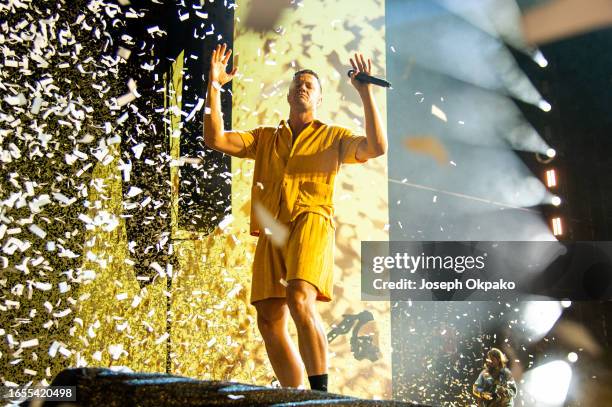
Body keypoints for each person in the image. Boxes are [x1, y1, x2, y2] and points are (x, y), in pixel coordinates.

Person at [203, 43, 387, 392]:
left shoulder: (334, 137)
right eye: (297, 83)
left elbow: (376, 148)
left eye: (310, 85)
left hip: (311, 222)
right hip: (273, 228)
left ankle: (320, 395)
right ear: (288, 95)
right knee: (269, 318)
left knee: (299, 297)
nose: (302, 86)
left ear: (319, 100)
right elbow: (215, 139)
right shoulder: (266, 138)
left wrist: (365, 94)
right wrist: (214, 87)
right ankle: (293, 395)